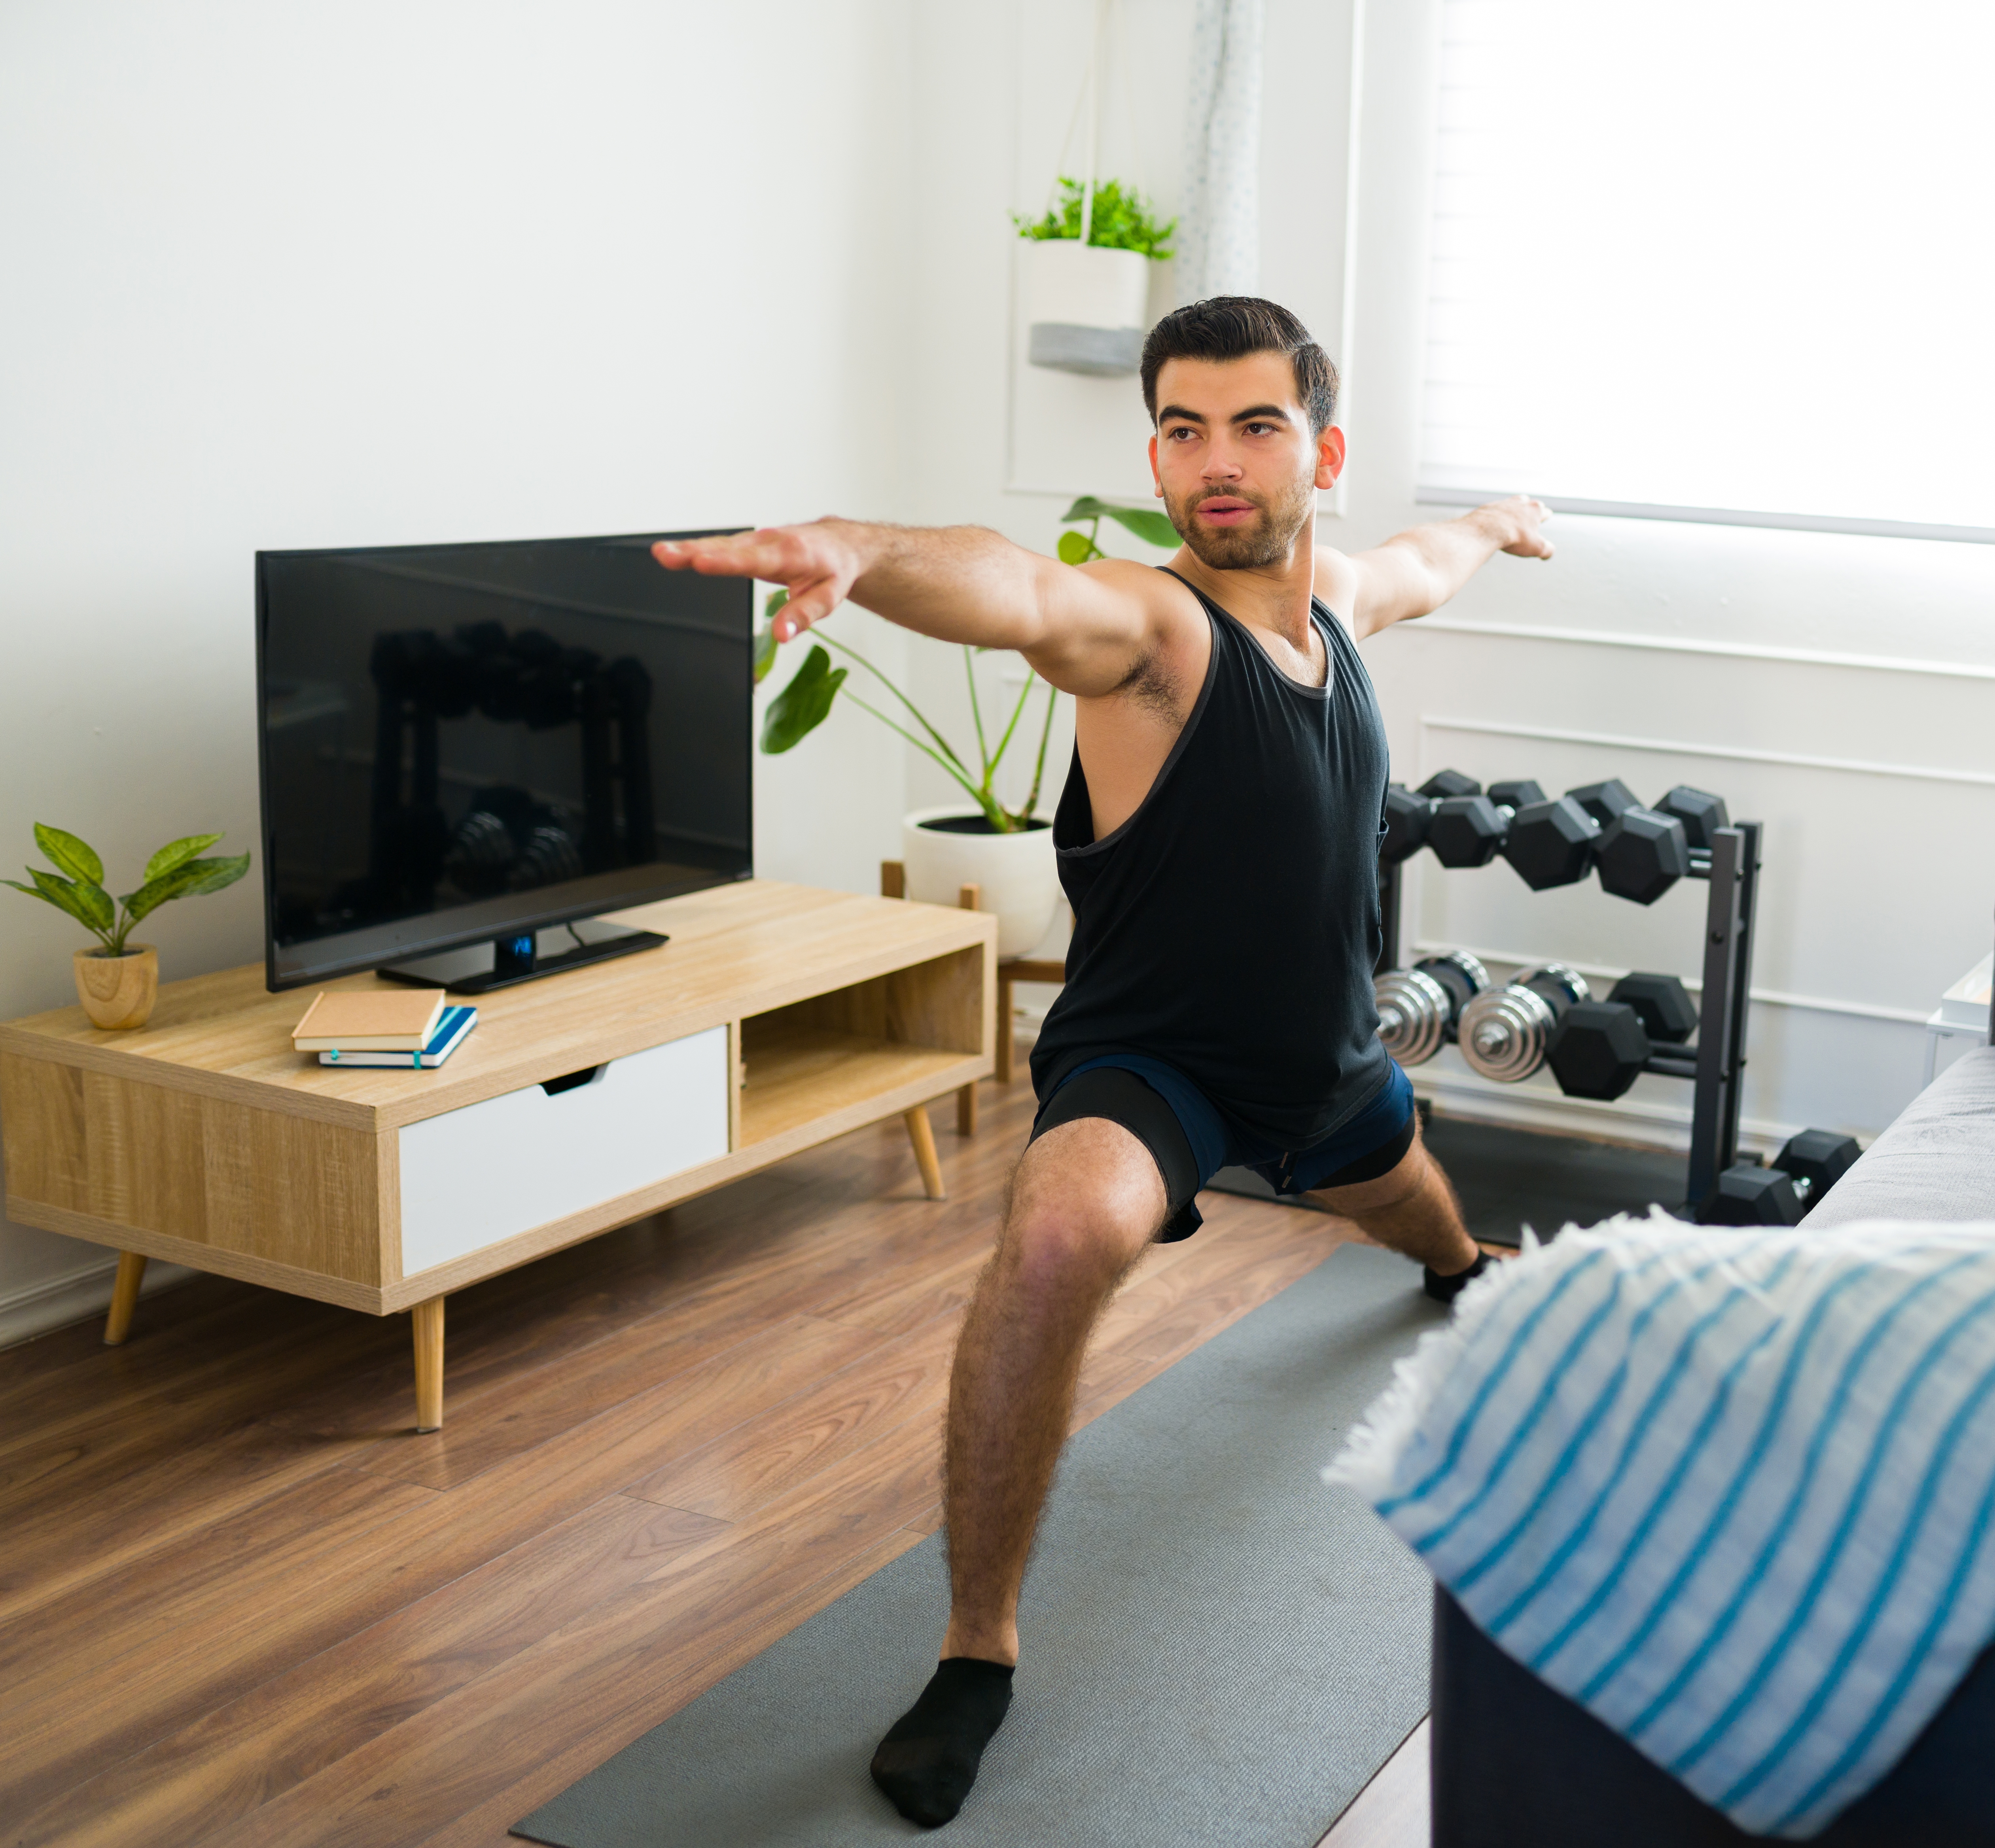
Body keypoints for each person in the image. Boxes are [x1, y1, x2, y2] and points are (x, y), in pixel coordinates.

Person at [653, 295, 1551, 1829]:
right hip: (1158, 1067)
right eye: (1184, 428)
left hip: (1330, 1064)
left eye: (1255, 425)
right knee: (1063, 1232)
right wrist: (865, 550)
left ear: (1320, 448)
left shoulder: (1338, 600)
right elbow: (1016, 591)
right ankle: (975, 1652)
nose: (1216, 460)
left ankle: (1461, 1264)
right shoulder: (1152, 631)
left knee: (1413, 1207)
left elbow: (1424, 564)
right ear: (1154, 452)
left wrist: (1493, 518)